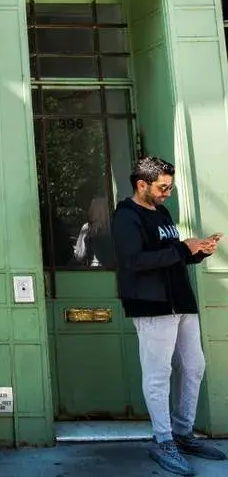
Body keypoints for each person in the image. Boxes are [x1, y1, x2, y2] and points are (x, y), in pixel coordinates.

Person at [112, 156, 225, 475]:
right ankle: (163, 440)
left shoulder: (161, 212)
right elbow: (134, 261)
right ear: (141, 185)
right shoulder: (126, 216)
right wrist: (182, 248)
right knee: (158, 374)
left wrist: (197, 252)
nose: (167, 193)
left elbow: (171, 256)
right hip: (150, 304)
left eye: (171, 188)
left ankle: (183, 433)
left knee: (194, 366)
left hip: (181, 301)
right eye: (163, 187)